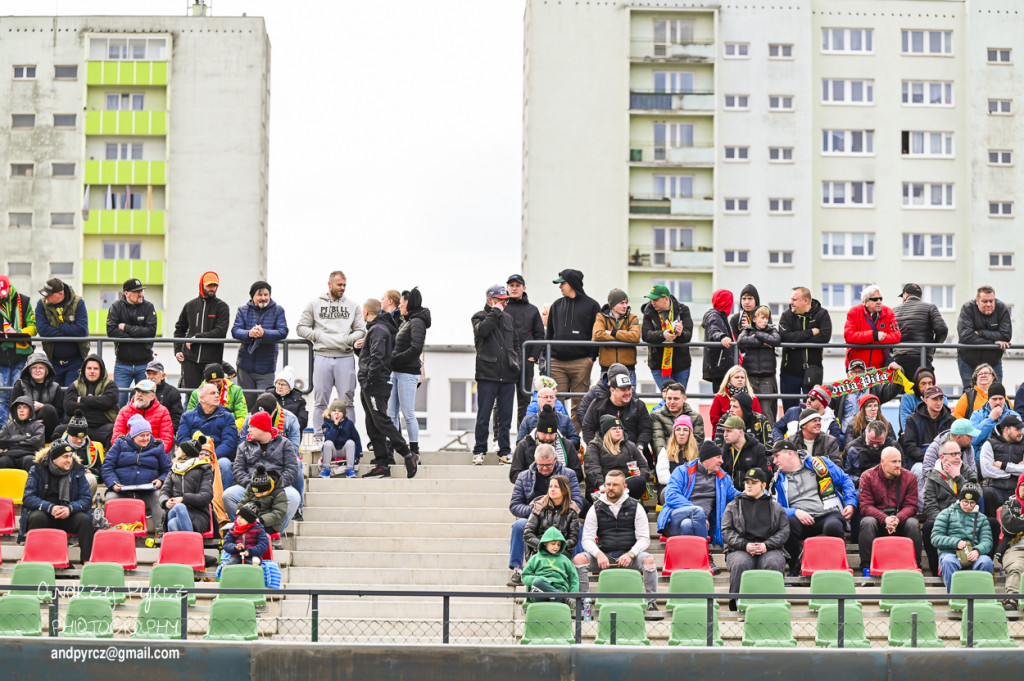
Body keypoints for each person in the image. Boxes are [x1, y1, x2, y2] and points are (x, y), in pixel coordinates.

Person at [573, 469, 661, 616]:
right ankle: (583, 602)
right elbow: (587, 538)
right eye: (608, 484)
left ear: (624, 487)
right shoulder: (596, 507)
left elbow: (644, 538)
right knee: (579, 559)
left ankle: (651, 603)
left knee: (649, 560)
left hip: (629, 556)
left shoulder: (636, 506)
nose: (610, 488)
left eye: (615, 485)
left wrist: (631, 554)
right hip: (604, 556)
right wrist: (599, 554)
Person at [769, 439, 857, 575]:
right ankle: (795, 568)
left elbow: (845, 480)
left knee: (833, 526)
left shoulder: (819, 463)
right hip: (801, 519)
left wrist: (851, 503)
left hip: (828, 513)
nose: (774, 461)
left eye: (777, 456)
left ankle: (834, 569)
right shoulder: (778, 480)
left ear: (790, 454)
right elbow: (775, 509)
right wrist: (795, 511)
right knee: (786, 523)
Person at [296, 270, 366, 435]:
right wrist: (318, 336)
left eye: (344, 285)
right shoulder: (314, 304)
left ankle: (348, 437)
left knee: (348, 402)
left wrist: (346, 340)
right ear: (330, 284)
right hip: (322, 357)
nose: (342, 288)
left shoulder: (353, 306)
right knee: (320, 401)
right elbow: (301, 328)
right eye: (339, 285)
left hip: (345, 357)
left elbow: (361, 331)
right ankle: (319, 437)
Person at [507, 445, 584, 586]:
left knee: (577, 526)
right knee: (518, 526)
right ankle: (517, 570)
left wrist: (561, 509)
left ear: (555, 460)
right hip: (535, 518)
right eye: (540, 465)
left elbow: (578, 502)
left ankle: (577, 566)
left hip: (561, 516)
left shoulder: (569, 474)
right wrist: (535, 509)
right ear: (535, 461)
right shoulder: (523, 476)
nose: (543, 469)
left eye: (547, 465)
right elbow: (514, 505)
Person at [358, 298, 416, 478]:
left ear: (366, 312)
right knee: (372, 424)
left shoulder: (378, 330)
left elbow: (377, 357)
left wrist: (370, 380)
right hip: (370, 383)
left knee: (382, 421)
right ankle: (382, 463)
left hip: (375, 384)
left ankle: (407, 454)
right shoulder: (377, 330)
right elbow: (370, 355)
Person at [721, 467, 789, 609]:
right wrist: (745, 545)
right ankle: (739, 604)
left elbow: (784, 531)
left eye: (754, 482)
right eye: (747, 482)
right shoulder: (733, 506)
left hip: (770, 548)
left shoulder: (776, 507)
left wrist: (767, 545)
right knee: (741, 563)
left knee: (773, 562)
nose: (749, 485)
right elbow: (727, 531)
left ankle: (773, 606)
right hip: (739, 549)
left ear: (763, 485)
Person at [224, 411, 301, 531]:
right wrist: (253, 486)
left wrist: (273, 486)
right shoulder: (244, 446)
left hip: (278, 488)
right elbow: (238, 470)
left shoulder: (285, 443)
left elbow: (291, 469)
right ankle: (245, 530)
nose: (248, 430)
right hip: (251, 488)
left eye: (252, 427)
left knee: (294, 497)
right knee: (229, 495)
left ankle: (274, 533)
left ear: (262, 428)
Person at [20, 441, 94, 564]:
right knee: (36, 517)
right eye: (65, 457)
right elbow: (28, 497)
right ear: (54, 458)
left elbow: (86, 499)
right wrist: (49, 507)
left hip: (68, 514)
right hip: (45, 513)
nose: (69, 460)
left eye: (70, 456)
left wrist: (70, 509)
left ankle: (87, 561)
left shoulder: (78, 470)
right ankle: (35, 560)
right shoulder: (38, 469)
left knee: (84, 519)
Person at [546, 269, 601, 432]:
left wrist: (592, 358)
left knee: (580, 405)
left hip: (582, 362)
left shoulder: (592, 305)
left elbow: (596, 335)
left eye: (563, 283)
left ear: (572, 283)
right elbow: (548, 334)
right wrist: (547, 357)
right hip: (557, 362)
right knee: (556, 403)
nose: (560, 287)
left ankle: (574, 442)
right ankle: (557, 438)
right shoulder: (556, 305)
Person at [471, 285, 520, 466]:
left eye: (505, 300)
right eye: (501, 300)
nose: (505, 303)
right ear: (490, 300)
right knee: (484, 415)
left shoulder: (508, 318)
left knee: (505, 416)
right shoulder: (479, 316)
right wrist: (495, 313)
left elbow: (515, 342)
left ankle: (504, 451)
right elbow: (482, 331)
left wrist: (517, 362)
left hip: (507, 374)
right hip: (487, 374)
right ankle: (479, 450)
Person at [657, 441, 737, 550]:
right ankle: (706, 555)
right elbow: (671, 495)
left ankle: (689, 560)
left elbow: (735, 496)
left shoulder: (723, 478)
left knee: (687, 525)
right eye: (718, 457)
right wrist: (696, 511)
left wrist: (758, 492)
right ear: (706, 459)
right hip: (674, 520)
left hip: (701, 525)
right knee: (697, 511)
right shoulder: (682, 471)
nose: (721, 461)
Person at [857, 447, 921, 576]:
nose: (898, 465)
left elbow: (911, 506)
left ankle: (916, 565)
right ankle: (867, 567)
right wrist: (884, 518)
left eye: (899, 461)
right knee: (867, 522)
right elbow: (865, 506)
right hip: (878, 522)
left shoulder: (909, 477)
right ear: (882, 461)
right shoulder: (868, 476)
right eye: (894, 462)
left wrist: (898, 518)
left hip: (900, 521)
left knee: (913, 523)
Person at [102, 414, 171, 529]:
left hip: (148, 492)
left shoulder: (157, 447)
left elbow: (168, 470)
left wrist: (160, 480)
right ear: (133, 436)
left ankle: (162, 532)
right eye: (142, 435)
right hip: (121, 491)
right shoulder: (120, 444)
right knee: (110, 498)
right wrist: (114, 484)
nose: (146, 438)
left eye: (148, 435)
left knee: (160, 497)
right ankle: (111, 531)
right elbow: (107, 467)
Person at [231, 280, 289, 409]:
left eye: (266, 295)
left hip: (266, 366)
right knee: (245, 403)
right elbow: (235, 330)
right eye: (260, 294)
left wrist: (264, 333)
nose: (263, 298)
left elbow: (283, 331)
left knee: (265, 403)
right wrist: (249, 333)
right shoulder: (242, 310)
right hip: (245, 365)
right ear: (253, 296)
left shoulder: (278, 310)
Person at [579, 365, 652, 460]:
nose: (627, 392)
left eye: (629, 388)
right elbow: (587, 427)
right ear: (612, 390)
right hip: (604, 452)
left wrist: (640, 447)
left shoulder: (638, 405)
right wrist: (596, 449)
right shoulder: (598, 404)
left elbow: (646, 429)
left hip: (633, 453)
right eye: (623, 389)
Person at [173, 271, 230, 390]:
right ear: (201, 285)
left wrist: (197, 337)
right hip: (190, 360)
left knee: (212, 396)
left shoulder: (222, 306)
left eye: (215, 285)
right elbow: (180, 329)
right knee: (191, 396)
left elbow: (221, 331)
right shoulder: (190, 305)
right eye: (209, 285)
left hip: (212, 361)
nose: (212, 288)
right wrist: (178, 349)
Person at [931, 483, 993, 592]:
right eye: (965, 501)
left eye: (972, 503)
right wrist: (955, 542)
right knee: (948, 561)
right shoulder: (946, 514)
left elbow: (987, 541)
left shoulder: (982, 519)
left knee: (986, 561)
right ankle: (956, 597)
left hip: (973, 555)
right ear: (959, 500)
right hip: (950, 553)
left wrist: (977, 551)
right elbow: (935, 538)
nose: (968, 505)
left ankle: (980, 597)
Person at [389, 288, 429, 457]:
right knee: (391, 413)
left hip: (407, 373)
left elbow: (415, 348)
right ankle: (391, 448)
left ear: (408, 303)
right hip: (396, 372)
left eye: (402, 303)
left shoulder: (417, 322)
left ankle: (414, 451)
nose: (399, 306)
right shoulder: (407, 320)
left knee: (408, 413)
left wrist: (394, 360)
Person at [106, 278, 158, 407]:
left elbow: (150, 331)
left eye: (141, 291)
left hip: (145, 363)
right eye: (136, 291)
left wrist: (126, 328)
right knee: (119, 402)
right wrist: (138, 334)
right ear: (126, 293)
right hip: (123, 364)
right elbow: (111, 331)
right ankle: (120, 427)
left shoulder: (148, 306)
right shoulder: (116, 306)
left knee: (146, 402)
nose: (140, 294)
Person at [778, 286, 831, 412]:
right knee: (790, 412)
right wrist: (811, 332)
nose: (791, 302)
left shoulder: (822, 314)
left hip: (813, 371)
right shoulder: (786, 315)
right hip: (789, 372)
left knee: (811, 411)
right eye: (791, 299)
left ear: (806, 301)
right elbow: (784, 337)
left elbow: (824, 337)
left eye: (795, 299)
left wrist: (797, 342)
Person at [176, 383, 239, 487]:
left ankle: (223, 499)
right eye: (212, 393)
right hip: (193, 456)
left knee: (225, 464)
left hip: (218, 457)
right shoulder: (187, 417)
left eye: (217, 393)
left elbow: (229, 443)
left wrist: (210, 456)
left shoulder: (228, 417)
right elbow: (182, 440)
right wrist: (198, 455)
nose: (217, 395)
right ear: (202, 398)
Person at [921, 440, 968, 577]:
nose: (957, 457)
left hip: (966, 517)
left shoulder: (967, 471)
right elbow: (930, 506)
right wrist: (946, 521)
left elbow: (975, 496)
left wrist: (958, 477)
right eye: (953, 454)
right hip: (942, 519)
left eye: (959, 453)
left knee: (992, 523)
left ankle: (979, 570)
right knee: (928, 526)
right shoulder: (933, 476)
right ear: (942, 457)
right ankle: (936, 571)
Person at [504, 275, 545, 428]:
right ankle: (499, 439)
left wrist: (533, 357)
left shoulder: (532, 310)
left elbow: (540, 336)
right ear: (507, 287)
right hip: (504, 363)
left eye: (517, 285)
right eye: (511, 285)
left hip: (525, 362)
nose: (514, 288)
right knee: (502, 401)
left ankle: (522, 437)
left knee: (524, 401)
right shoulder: (502, 308)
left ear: (524, 288)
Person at [34, 278, 89, 388]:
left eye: (49, 295)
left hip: (75, 361)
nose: (45, 297)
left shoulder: (78, 302)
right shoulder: (41, 304)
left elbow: (82, 331)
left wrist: (59, 326)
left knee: (70, 395)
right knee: (55, 397)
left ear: (60, 294)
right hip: (53, 362)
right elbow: (43, 330)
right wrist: (69, 332)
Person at [509, 405, 583, 486]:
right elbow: (514, 475)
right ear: (537, 431)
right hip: (532, 492)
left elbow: (578, 474)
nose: (547, 437)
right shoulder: (524, 445)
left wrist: (557, 480)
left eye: (551, 434)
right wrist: (537, 478)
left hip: (562, 491)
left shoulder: (567, 445)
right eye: (544, 433)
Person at [830, 359, 902, 442]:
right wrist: (818, 392)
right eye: (853, 372)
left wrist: (898, 372)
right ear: (848, 375)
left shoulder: (875, 388)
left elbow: (894, 389)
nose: (857, 375)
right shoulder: (840, 390)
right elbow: (825, 402)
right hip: (844, 435)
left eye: (860, 372)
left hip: (871, 435)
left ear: (865, 374)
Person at [956, 286, 1012, 388]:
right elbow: (966, 336)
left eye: (991, 301)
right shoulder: (967, 308)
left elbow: (1006, 335)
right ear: (977, 301)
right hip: (968, 360)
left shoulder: (1001, 308)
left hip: (993, 361)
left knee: (996, 393)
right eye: (985, 301)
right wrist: (993, 342)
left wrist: (981, 333)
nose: (989, 304)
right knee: (970, 394)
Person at [640, 284, 693, 391]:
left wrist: (680, 333)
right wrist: (662, 334)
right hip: (658, 364)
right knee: (668, 397)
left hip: (681, 364)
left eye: (656, 299)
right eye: (651, 299)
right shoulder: (648, 311)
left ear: (666, 299)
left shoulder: (683, 309)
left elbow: (688, 336)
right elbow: (645, 335)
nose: (652, 302)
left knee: (679, 397)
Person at [584, 415, 649, 501]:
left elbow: (644, 467)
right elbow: (592, 468)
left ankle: (623, 504)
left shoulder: (630, 445)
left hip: (625, 485)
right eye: (614, 428)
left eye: (620, 428)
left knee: (640, 481)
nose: (618, 431)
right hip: (604, 486)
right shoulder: (594, 446)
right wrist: (601, 485)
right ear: (606, 431)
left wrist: (640, 473)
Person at [0, 275, 37, 427]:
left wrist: (17, 331)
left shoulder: (24, 301)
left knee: (18, 397)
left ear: (9, 288)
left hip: (20, 356)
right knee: (2, 396)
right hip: (1, 358)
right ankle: (2, 431)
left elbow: (33, 328)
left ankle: (17, 429)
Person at [159, 435, 214, 534]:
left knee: (172, 524)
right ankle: (193, 545)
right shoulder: (174, 470)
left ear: (185, 454)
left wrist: (183, 499)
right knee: (179, 507)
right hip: (173, 511)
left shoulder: (204, 470)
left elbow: (206, 496)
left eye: (178, 450)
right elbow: (164, 492)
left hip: (197, 515)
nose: (175, 452)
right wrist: (166, 502)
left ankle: (184, 547)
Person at [892, 283, 948, 381]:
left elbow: (888, 336)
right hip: (922, 358)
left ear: (905, 295)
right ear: (920, 297)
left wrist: (894, 350)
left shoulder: (893, 311)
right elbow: (942, 330)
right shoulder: (930, 308)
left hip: (899, 359)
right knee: (924, 391)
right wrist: (933, 346)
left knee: (902, 392)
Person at [62, 354, 118, 447]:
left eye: (96, 368)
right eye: (89, 368)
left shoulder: (110, 385)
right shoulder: (75, 385)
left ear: (101, 370)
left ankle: (109, 461)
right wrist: (96, 403)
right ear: (84, 370)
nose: (92, 371)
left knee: (114, 430)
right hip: (77, 429)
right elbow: (68, 408)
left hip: (102, 428)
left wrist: (82, 399)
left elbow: (107, 402)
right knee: (59, 430)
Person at [901, 385, 954, 479]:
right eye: (935, 399)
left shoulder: (951, 420)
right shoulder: (913, 419)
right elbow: (909, 446)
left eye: (941, 399)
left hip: (944, 460)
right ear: (925, 400)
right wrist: (928, 457)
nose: (939, 403)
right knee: (919, 470)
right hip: (919, 460)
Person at [522, 474, 580, 562]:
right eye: (550, 486)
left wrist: (557, 547)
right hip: (538, 550)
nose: (552, 489)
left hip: (561, 551)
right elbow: (528, 534)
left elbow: (573, 539)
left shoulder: (572, 510)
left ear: (564, 490)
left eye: (556, 487)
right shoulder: (539, 506)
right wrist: (544, 546)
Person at [843, 284, 901, 370]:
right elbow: (849, 336)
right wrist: (874, 336)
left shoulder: (888, 312)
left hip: (880, 367)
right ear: (865, 302)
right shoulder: (854, 312)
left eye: (880, 299)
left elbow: (896, 336)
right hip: (856, 366)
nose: (879, 302)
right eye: (874, 299)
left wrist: (869, 340)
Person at [737, 306, 781, 420]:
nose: (765, 321)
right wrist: (763, 342)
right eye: (762, 318)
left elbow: (776, 340)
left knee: (766, 410)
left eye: (767, 318)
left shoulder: (772, 330)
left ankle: (769, 436)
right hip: (750, 376)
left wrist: (758, 335)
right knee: (750, 409)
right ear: (754, 319)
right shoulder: (747, 330)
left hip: (767, 377)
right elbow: (741, 341)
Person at [919, 420, 981, 499]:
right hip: (939, 491)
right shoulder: (934, 448)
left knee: (978, 494)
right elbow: (927, 474)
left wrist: (958, 478)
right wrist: (950, 476)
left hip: (962, 488)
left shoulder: (969, 448)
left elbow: (973, 474)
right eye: (969, 436)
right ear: (958, 437)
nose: (972, 438)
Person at [979, 411, 1024, 518]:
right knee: (987, 494)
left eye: (1021, 429)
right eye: (1017, 429)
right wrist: (1013, 472)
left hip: (1017, 489)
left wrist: (1004, 466)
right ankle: (991, 529)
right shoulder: (989, 444)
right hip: (995, 488)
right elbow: (986, 470)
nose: (1021, 432)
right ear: (1007, 430)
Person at [9, 352, 62, 441]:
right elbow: (13, 410)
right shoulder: (20, 385)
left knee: (48, 409)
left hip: (48, 428)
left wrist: (43, 406)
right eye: (34, 367)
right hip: (25, 427)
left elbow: (59, 412)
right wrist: (32, 423)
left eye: (41, 368)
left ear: (46, 370)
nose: (37, 370)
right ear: (29, 370)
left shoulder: (56, 387)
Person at [592, 288, 640, 384]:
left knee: (628, 398)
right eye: (622, 303)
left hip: (628, 369)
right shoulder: (601, 317)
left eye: (626, 303)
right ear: (613, 305)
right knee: (606, 398)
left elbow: (635, 336)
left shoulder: (632, 318)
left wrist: (612, 333)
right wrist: (625, 337)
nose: (625, 306)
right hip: (607, 369)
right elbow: (597, 335)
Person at [112, 380, 174, 453]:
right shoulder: (124, 411)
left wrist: (154, 453)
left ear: (153, 396)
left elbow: (166, 439)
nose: (139, 395)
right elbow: (117, 437)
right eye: (138, 391)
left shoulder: (163, 411)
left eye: (144, 392)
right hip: (128, 453)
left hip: (154, 454)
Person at [522, 526, 580, 603]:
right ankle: (561, 597)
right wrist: (542, 580)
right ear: (545, 542)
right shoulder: (535, 558)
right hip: (540, 592)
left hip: (560, 588)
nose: (556, 547)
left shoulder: (565, 560)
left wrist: (573, 596)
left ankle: (559, 597)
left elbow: (574, 579)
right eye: (553, 544)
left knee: (557, 606)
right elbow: (525, 576)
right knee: (537, 582)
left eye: (559, 544)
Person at [772, 384, 842, 444]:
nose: (808, 401)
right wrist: (779, 443)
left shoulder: (832, 424)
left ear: (823, 404)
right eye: (808, 397)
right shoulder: (793, 412)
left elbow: (835, 446)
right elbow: (777, 427)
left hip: (815, 458)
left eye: (813, 399)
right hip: (791, 455)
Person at [516, 386, 580, 451]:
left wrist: (560, 445)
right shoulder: (528, 420)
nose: (549, 400)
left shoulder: (565, 419)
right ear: (538, 400)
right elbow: (520, 443)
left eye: (552, 397)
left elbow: (576, 441)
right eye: (545, 397)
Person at [186, 363, 248, 429]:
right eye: (211, 382)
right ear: (206, 381)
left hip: (229, 428)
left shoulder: (236, 390)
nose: (215, 385)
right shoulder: (197, 393)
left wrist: (230, 428)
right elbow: (190, 417)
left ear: (223, 379)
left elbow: (242, 416)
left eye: (218, 381)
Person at [718, 415, 770, 491]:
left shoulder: (759, 449)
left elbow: (765, 477)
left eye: (729, 431)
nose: (725, 434)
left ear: (740, 432)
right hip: (730, 495)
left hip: (753, 495)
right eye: (724, 431)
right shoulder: (724, 451)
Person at [996, 474, 1024, 610]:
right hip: (1014, 548)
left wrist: (1019, 521)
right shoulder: (1009, 504)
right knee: (1016, 567)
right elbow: (1008, 527)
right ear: (1018, 487)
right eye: (1022, 485)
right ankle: (1011, 600)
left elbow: (1015, 524)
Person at [238, 464, 289, 538]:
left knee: (253, 533)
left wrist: (260, 520)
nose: (258, 495)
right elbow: (242, 503)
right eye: (256, 492)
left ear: (268, 488)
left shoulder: (279, 493)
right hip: (251, 521)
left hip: (270, 524)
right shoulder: (250, 488)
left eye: (261, 492)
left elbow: (279, 514)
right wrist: (242, 515)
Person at [846, 420, 903, 486]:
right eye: (871, 442)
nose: (875, 445)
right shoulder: (853, 448)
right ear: (866, 433)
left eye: (879, 442)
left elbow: (902, 470)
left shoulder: (894, 447)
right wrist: (862, 482)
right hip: (860, 484)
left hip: (889, 484)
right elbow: (845, 475)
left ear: (885, 436)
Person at [708, 366, 761, 435]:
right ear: (729, 379)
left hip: (748, 434)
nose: (740, 380)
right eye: (736, 377)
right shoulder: (720, 397)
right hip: (724, 435)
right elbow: (715, 421)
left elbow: (758, 419)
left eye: (742, 377)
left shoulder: (753, 398)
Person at [60, 411, 103, 494]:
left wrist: (91, 471)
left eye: (82, 437)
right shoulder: (59, 446)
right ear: (69, 434)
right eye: (76, 437)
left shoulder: (92, 449)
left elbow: (100, 470)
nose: (79, 440)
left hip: (84, 479)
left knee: (91, 478)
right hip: (63, 478)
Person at [655, 415, 699, 496]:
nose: (681, 433)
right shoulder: (665, 450)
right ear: (674, 433)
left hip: (692, 489)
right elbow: (662, 478)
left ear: (690, 434)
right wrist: (683, 482)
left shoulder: (697, 451)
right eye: (678, 429)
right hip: (669, 488)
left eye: (685, 430)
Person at [701, 289, 736, 390]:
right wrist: (722, 337)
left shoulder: (720, 317)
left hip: (721, 365)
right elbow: (713, 330)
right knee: (723, 399)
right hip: (720, 366)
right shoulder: (714, 316)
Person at [319, 398, 362, 478]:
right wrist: (335, 425)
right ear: (330, 412)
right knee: (328, 443)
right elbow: (329, 438)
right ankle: (326, 469)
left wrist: (359, 454)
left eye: (340, 411)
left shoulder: (349, 423)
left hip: (344, 450)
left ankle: (350, 469)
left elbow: (356, 438)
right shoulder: (326, 424)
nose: (337, 413)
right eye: (334, 411)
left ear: (344, 413)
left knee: (350, 442)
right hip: (333, 451)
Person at [0, 397, 43, 470]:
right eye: (19, 408)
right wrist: (25, 438)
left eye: (25, 407)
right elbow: (1, 441)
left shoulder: (38, 426)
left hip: (28, 454)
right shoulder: (8, 426)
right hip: (10, 455)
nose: (21, 410)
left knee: (29, 460)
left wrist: (12, 441)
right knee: (3, 460)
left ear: (30, 410)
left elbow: (37, 442)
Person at [899, 368, 945, 432]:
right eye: (923, 384)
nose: (927, 387)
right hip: (915, 435)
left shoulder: (942, 398)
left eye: (930, 383)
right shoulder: (907, 398)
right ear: (917, 385)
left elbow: (944, 422)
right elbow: (906, 424)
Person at [969, 381, 1011, 447]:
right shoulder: (977, 415)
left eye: (1000, 399)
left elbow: (1020, 438)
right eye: (994, 399)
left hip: (1005, 455)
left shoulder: (1013, 415)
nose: (998, 402)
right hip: (981, 456)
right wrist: (990, 419)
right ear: (988, 400)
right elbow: (972, 440)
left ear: (1004, 399)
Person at [145, 360, 183, 434]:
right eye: (149, 374)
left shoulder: (172, 392)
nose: (151, 377)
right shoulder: (138, 391)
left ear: (163, 376)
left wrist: (164, 432)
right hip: (142, 433)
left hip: (164, 433)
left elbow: (176, 418)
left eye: (155, 374)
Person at [267, 366, 308, 433]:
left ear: (290, 386)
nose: (280, 387)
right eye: (278, 383)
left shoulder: (299, 400)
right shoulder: (267, 397)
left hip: (290, 433)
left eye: (283, 384)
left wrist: (287, 424)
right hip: (270, 433)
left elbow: (303, 422)